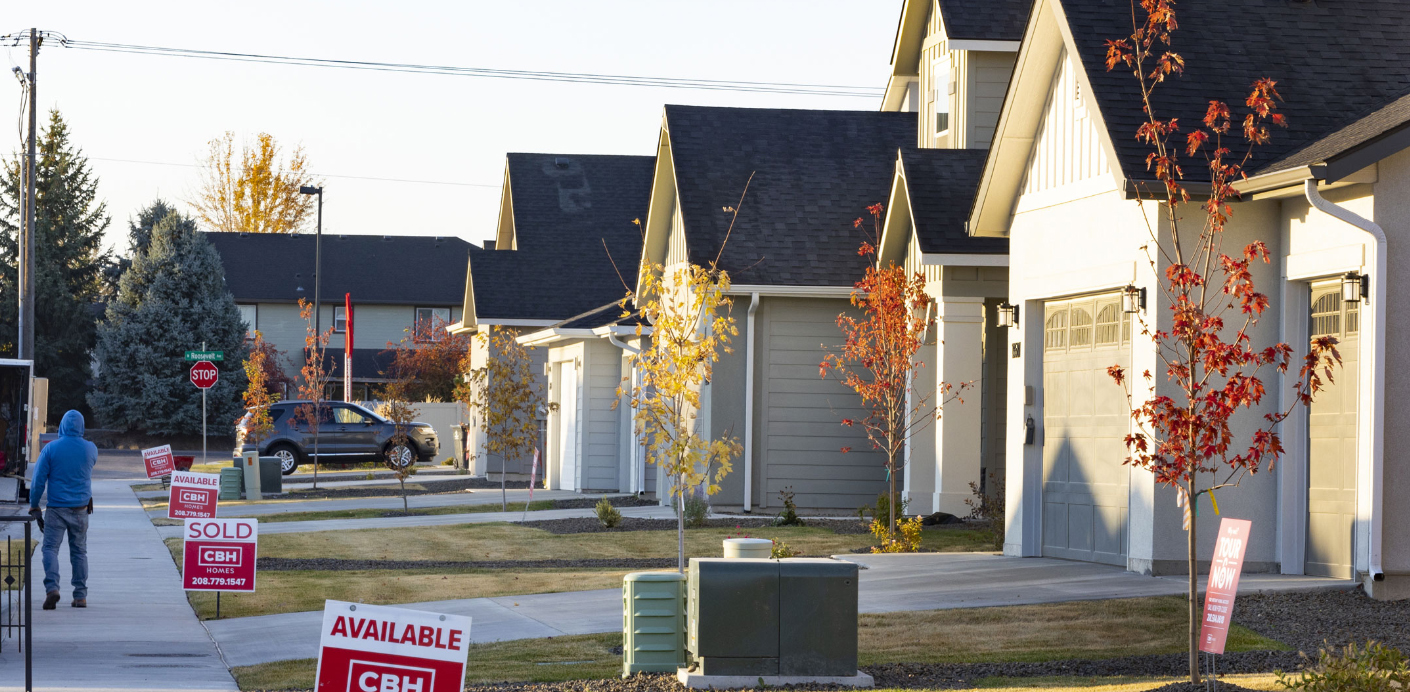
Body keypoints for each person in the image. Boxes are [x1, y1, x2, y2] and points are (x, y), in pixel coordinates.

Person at [28, 410, 97, 610]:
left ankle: (52, 589)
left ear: (62, 426)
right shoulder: (91, 449)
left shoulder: (51, 449)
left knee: (50, 549)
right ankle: (80, 596)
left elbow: (38, 481)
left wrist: (34, 505)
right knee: (79, 552)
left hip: (56, 509)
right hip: (81, 509)